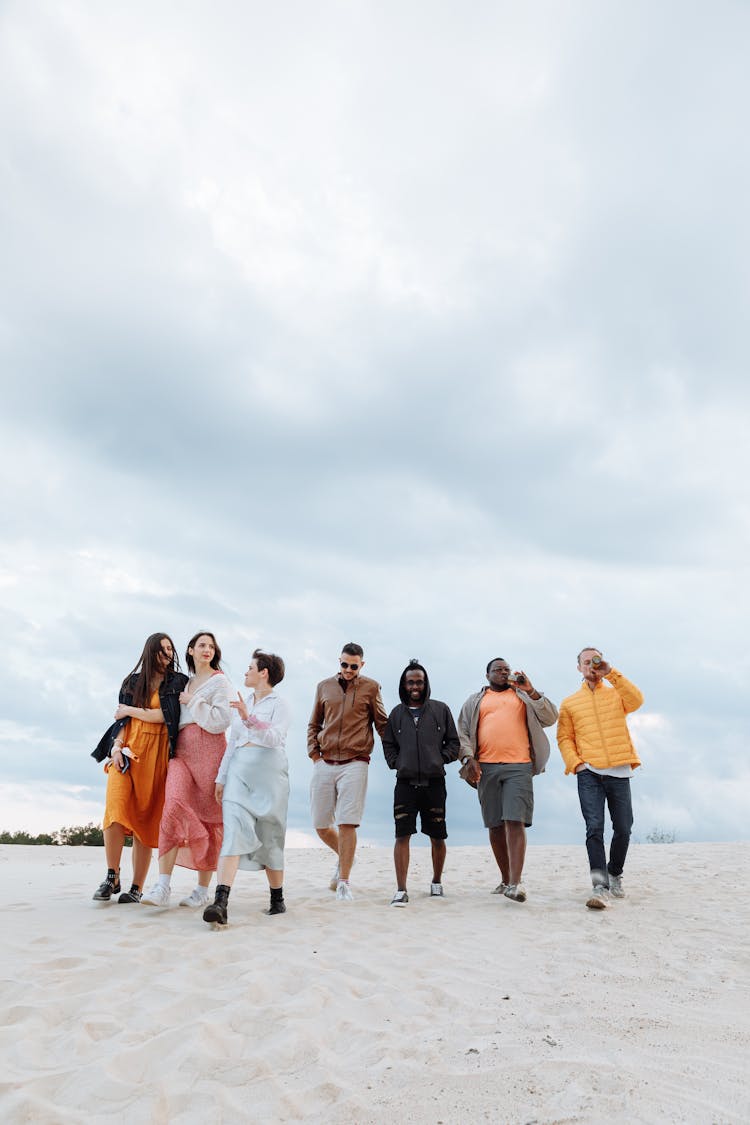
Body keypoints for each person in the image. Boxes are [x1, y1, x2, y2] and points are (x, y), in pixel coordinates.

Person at [92, 633, 187, 903]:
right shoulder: (132, 682)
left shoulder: (178, 681)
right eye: (161, 649)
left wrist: (130, 710)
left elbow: (165, 716)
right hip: (128, 753)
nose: (167, 654)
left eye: (170, 649)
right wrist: (115, 748)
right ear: (150, 652)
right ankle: (112, 875)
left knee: (145, 821)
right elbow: (121, 723)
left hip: (158, 756)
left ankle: (136, 887)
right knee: (115, 809)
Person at [141, 632, 233, 908]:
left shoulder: (220, 681)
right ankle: (162, 885)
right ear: (190, 650)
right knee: (172, 806)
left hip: (210, 750)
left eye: (211, 646)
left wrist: (192, 701)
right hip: (181, 752)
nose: (207, 649)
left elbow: (221, 721)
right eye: (201, 645)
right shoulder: (185, 681)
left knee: (208, 818)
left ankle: (202, 889)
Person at [458, 658, 558, 903]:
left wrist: (531, 690)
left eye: (507, 669)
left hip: (519, 766)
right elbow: (462, 731)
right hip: (487, 768)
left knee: (515, 820)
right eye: (498, 670)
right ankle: (505, 879)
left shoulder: (523, 696)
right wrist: (467, 758)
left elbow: (551, 717)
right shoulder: (475, 700)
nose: (503, 673)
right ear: (487, 675)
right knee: (494, 824)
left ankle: (516, 882)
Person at [203, 649, 291, 927]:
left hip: (269, 776)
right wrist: (221, 777)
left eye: (250, 668)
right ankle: (220, 902)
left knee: (270, 835)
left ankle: (277, 899)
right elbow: (233, 744)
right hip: (239, 772)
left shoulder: (280, 704)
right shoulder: (243, 701)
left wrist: (247, 717)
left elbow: (275, 737)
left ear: (263, 673)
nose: (245, 672)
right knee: (232, 832)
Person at [556, 647, 644, 909]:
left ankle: (614, 873)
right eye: (586, 662)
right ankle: (599, 884)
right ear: (579, 668)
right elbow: (564, 738)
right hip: (589, 773)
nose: (590, 666)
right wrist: (577, 764)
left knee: (624, 828)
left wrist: (611, 672)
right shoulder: (570, 703)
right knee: (594, 829)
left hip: (619, 771)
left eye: (595, 661)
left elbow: (637, 701)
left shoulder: (617, 692)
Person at [307, 642, 388, 902]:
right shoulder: (324, 686)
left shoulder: (371, 687)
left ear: (361, 665)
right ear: (339, 662)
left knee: (347, 822)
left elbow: (382, 724)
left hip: (356, 761)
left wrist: (399, 753)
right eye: (344, 664)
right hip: (325, 761)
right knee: (320, 825)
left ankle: (343, 880)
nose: (349, 669)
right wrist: (314, 755)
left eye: (354, 666)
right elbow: (313, 723)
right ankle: (346, 856)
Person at [382, 659, 460, 906]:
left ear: (425, 684)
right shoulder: (396, 714)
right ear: (403, 685)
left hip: (434, 782)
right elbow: (388, 743)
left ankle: (436, 882)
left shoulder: (441, 709)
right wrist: (396, 762)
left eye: (419, 681)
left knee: (437, 835)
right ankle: (401, 890)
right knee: (402, 835)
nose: (415, 686)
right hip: (404, 783)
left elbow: (454, 743)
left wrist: (439, 759)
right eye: (410, 682)